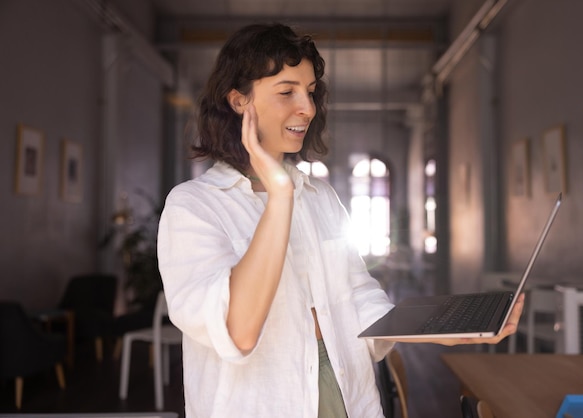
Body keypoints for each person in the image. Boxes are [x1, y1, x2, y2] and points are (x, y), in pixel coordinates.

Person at [157, 23, 525, 418]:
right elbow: (238, 331)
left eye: (311, 92)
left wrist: (436, 328)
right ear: (238, 101)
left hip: (347, 398)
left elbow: (358, 296)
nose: (308, 108)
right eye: (287, 92)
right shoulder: (193, 207)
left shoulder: (321, 198)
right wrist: (279, 194)